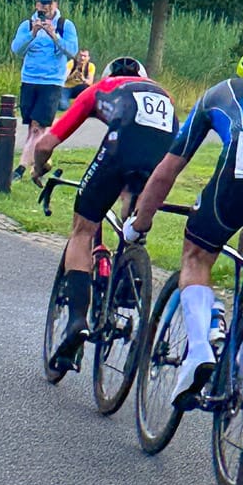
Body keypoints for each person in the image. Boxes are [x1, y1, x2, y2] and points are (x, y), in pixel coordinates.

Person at [124, 41, 243, 406]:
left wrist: (140, 222)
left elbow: (168, 170)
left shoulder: (220, 92)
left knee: (197, 255)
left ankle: (198, 352)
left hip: (241, 168)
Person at [28, 57, 176, 372]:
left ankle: (77, 321)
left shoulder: (101, 88)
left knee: (82, 229)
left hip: (120, 146)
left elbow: (46, 143)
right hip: (162, 155)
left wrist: (40, 167)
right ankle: (128, 271)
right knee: (133, 212)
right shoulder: (164, 94)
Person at [11, 0, 80, 178]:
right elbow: (16, 49)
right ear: (36, 4)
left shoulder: (65, 25)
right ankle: (42, 162)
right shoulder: (27, 24)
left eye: (49, 4)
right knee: (32, 127)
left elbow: (72, 52)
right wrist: (32, 34)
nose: (45, 8)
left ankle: (21, 168)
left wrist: (54, 36)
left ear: (55, 4)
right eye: (42, 4)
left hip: (51, 82)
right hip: (30, 79)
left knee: (37, 128)